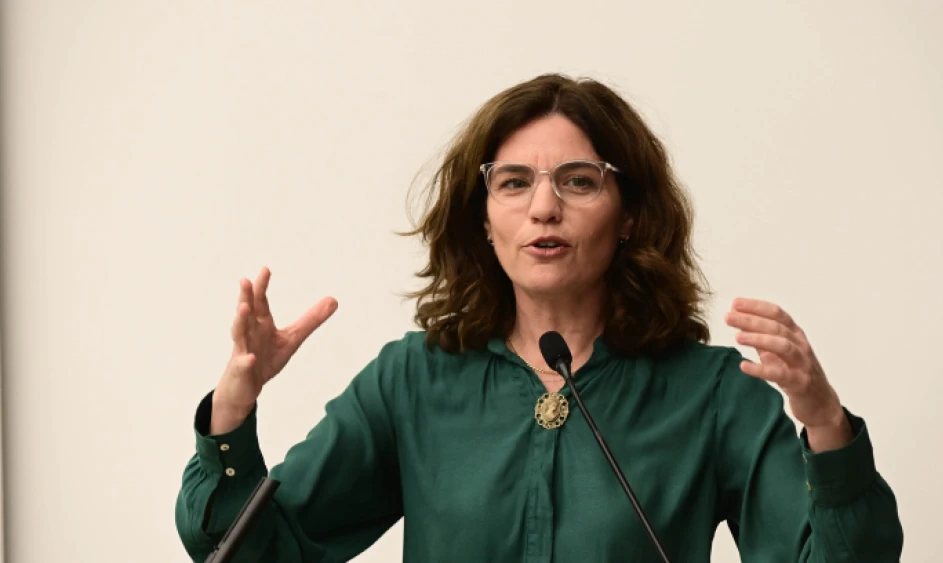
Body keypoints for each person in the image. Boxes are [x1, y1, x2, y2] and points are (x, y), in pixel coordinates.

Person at [175, 74, 904, 562]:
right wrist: (235, 409)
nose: (543, 206)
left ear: (629, 217)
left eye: (578, 182)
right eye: (514, 183)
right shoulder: (413, 381)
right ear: (484, 219)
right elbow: (253, 551)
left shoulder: (711, 393)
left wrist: (824, 424)